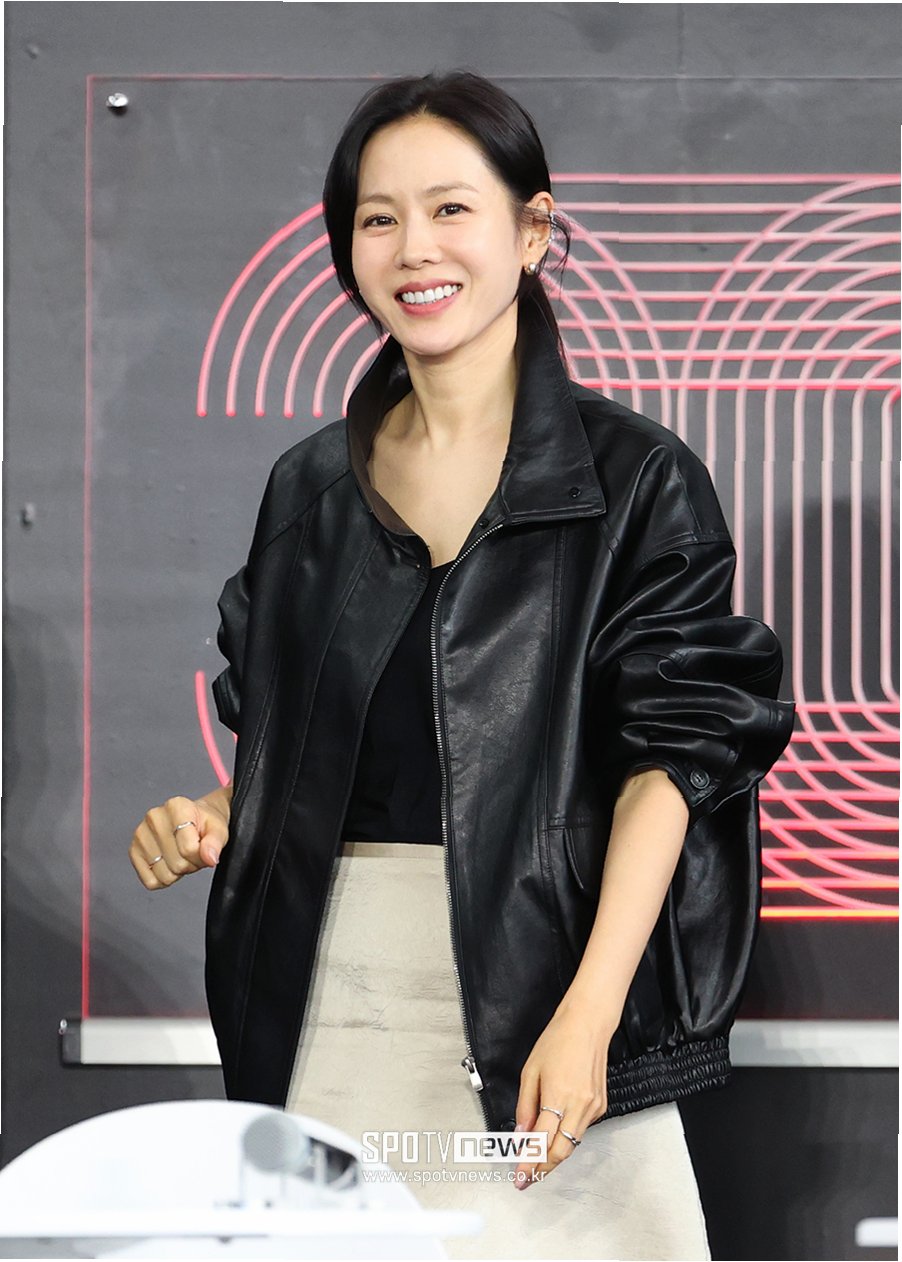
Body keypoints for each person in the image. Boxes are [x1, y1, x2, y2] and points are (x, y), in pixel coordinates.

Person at [130, 70, 796, 1260]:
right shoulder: (309, 490)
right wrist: (222, 813)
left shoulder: (635, 479)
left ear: (530, 232)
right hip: (335, 1010)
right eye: (378, 218)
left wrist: (588, 1012)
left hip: (546, 1000)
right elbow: (312, 744)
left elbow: (671, 762)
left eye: (450, 209)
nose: (414, 249)